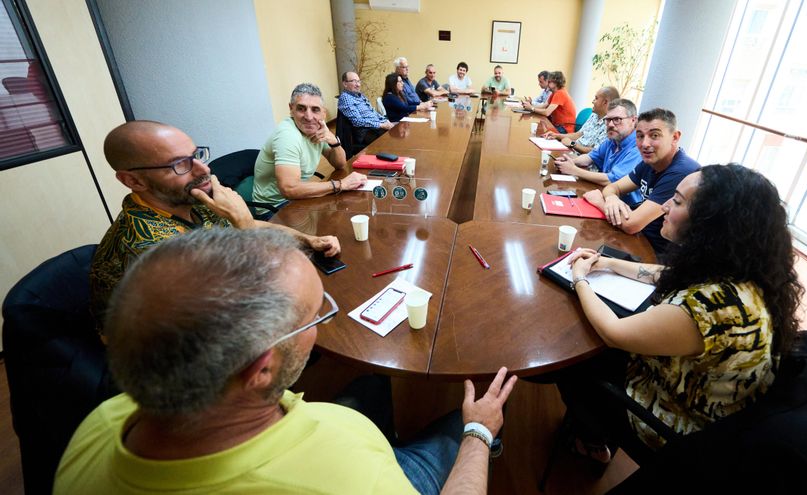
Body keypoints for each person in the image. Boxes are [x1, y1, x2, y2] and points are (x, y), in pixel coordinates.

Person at [56, 228, 518, 495]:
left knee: (371, 383)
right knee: (466, 427)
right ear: (261, 369)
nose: (321, 323)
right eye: (315, 315)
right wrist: (479, 432)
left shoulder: (97, 427)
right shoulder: (344, 471)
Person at [557, 164, 803, 468]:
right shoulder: (744, 274)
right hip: (710, 401)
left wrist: (579, 278)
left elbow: (613, 332)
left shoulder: (709, 308)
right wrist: (609, 263)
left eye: (677, 200)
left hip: (679, 429)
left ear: (710, 224)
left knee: (577, 364)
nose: (664, 205)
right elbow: (666, 274)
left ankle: (594, 444)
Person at [89, 120, 340, 330]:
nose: (204, 169)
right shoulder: (147, 247)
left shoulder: (189, 200)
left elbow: (249, 225)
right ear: (133, 180)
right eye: (179, 164)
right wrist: (243, 225)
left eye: (196, 155)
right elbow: (232, 299)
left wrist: (308, 240)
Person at [585, 108, 700, 254]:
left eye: (655, 135)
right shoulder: (649, 161)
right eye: (639, 136)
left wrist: (599, 202)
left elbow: (632, 225)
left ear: (675, 137)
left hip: (656, 254)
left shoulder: (681, 172)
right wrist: (612, 199)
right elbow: (612, 188)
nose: (645, 143)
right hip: (636, 238)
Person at [253, 83, 366, 209]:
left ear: (323, 113)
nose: (309, 117)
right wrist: (340, 184)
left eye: (315, 109)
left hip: (296, 199)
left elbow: (340, 163)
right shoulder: (287, 136)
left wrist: (333, 141)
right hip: (276, 208)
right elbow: (289, 189)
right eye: (301, 108)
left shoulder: (317, 129)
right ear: (291, 109)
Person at [553, 98, 642, 206]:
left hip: (625, 207)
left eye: (617, 119)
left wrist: (574, 170)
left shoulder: (638, 148)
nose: (610, 125)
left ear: (633, 120)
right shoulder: (612, 140)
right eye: (608, 120)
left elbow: (612, 180)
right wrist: (570, 161)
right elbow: (589, 158)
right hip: (603, 196)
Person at [543, 86, 619, 154]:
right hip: (572, 151)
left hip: (584, 161)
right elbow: (579, 134)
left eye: (596, 98)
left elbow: (596, 152)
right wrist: (557, 136)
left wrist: (572, 144)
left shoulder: (610, 125)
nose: (592, 101)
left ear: (605, 102)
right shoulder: (594, 115)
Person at [336, 71, 394, 146]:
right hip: (366, 132)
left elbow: (373, 112)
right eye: (354, 81)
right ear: (345, 84)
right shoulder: (345, 97)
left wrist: (386, 121)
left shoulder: (360, 96)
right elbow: (357, 121)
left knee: (398, 128)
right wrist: (381, 125)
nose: (358, 84)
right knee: (394, 138)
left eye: (358, 81)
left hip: (376, 128)